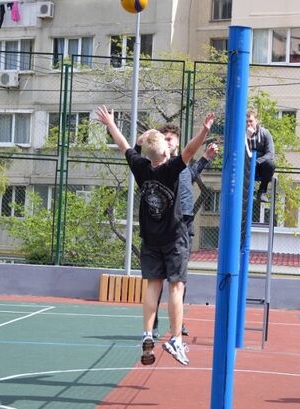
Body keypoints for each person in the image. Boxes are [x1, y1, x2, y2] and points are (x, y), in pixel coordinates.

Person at [94, 105, 213, 366]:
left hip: (150, 239)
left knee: (152, 286)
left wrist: (111, 124)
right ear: (166, 152)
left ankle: (147, 333)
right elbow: (189, 150)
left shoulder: (141, 167)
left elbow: (124, 145)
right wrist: (204, 131)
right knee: (176, 287)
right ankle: (175, 339)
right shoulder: (171, 169)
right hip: (174, 237)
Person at [143, 123, 218, 339]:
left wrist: (205, 157)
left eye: (170, 138)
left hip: (185, 223)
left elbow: (191, 174)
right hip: (166, 224)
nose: (167, 142)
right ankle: (152, 326)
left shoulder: (183, 165)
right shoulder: (162, 165)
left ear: (177, 142)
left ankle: (178, 322)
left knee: (179, 280)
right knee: (157, 279)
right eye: (163, 138)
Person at [245, 109, 275, 203]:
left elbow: (270, 153)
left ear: (256, 121)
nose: (248, 124)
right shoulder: (242, 134)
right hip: (245, 165)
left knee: (270, 164)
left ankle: (261, 192)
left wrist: (256, 162)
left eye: (251, 121)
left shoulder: (265, 133)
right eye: (246, 122)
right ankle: (244, 192)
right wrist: (247, 137)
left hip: (259, 166)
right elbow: (240, 151)